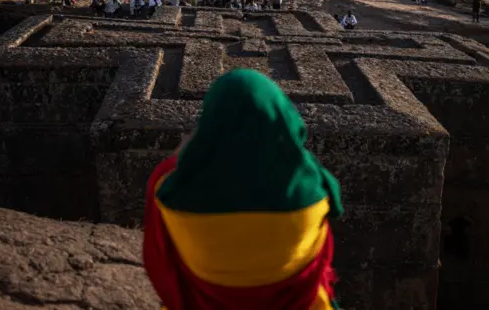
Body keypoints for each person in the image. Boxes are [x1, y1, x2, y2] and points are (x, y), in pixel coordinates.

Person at [143, 69, 344, 310]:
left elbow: (159, 257)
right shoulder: (313, 192)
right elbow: (330, 197)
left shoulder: (172, 193)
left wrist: (191, 149)